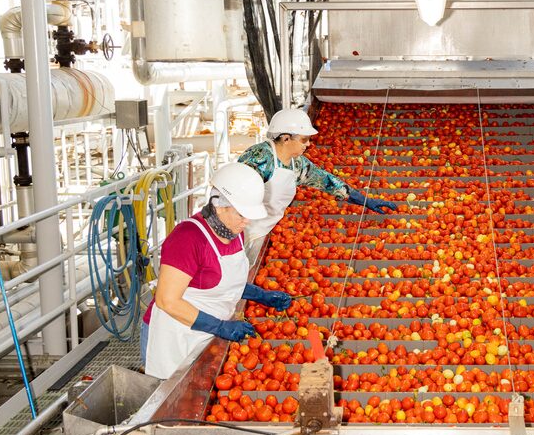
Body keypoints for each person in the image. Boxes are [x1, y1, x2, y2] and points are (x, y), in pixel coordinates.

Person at [144, 163, 293, 380]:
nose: (247, 221)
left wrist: (261, 295)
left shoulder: (235, 232)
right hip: (175, 335)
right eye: (242, 214)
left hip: (206, 332)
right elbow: (167, 301)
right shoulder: (188, 238)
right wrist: (220, 326)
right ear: (219, 205)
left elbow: (224, 281)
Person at [237, 108, 397, 258]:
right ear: (286, 138)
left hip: (262, 231)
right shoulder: (259, 158)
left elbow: (326, 181)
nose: (308, 144)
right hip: (240, 231)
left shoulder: (297, 164)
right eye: (304, 139)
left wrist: (364, 200)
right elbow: (232, 197)